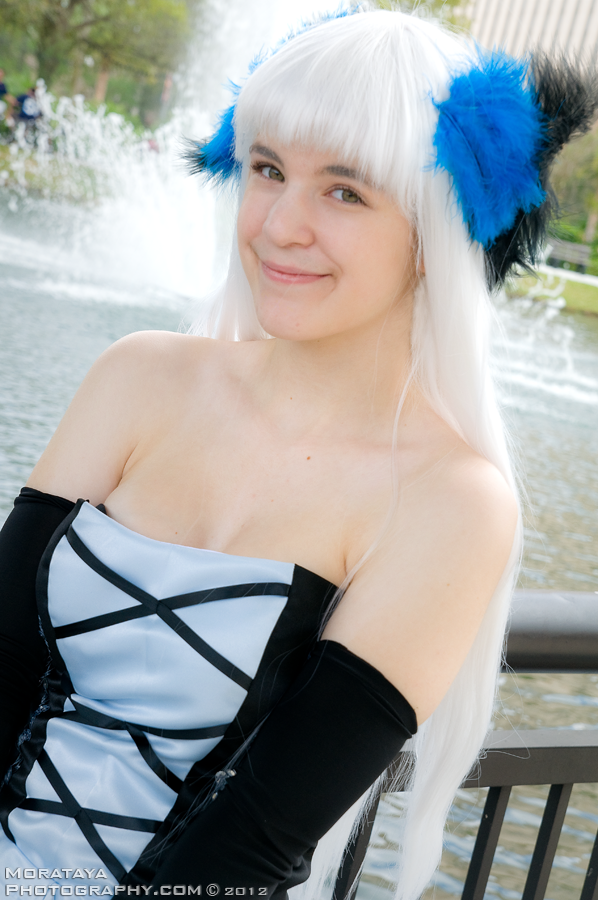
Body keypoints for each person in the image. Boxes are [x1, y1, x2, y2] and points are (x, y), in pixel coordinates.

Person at [0, 6, 595, 899]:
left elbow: (254, 836)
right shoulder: (139, 376)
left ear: (435, 232)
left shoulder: (452, 501)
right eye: (269, 169)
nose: (280, 224)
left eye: (345, 191)